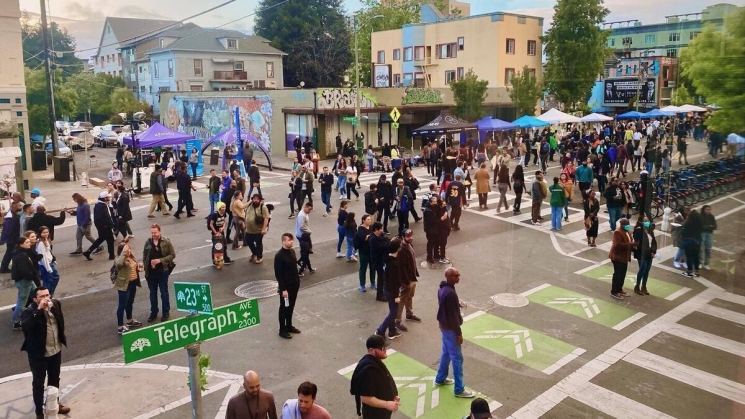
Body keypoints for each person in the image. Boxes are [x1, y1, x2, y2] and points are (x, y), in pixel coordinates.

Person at [20, 286, 72, 418]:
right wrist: (39, 310)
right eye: (41, 297)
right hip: (38, 354)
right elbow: (26, 327)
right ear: (35, 299)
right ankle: (39, 412)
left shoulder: (55, 304)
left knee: (54, 379)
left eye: (47, 295)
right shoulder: (29, 311)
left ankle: (55, 405)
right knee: (38, 382)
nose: (45, 299)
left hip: (55, 349)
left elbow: (61, 321)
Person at [435, 267, 474, 398]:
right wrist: (459, 334)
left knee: (446, 353)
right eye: (455, 276)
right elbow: (452, 316)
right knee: (457, 358)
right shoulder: (450, 293)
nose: (458, 277)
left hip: (443, 326)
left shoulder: (443, 289)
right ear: (449, 277)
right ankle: (459, 389)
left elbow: (446, 306)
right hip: (450, 329)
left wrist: (457, 303)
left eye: (458, 275)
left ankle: (440, 378)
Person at [350, 334, 399, 419]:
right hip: (375, 414)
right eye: (382, 348)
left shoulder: (375, 361)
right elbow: (365, 398)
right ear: (371, 350)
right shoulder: (369, 371)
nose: (385, 350)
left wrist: (393, 395)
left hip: (381, 411)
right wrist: (387, 404)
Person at [143, 224, 176, 322]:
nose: (153, 234)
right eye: (152, 233)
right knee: (152, 294)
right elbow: (145, 256)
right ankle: (154, 312)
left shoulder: (166, 241)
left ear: (160, 231)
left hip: (162, 272)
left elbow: (172, 255)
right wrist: (148, 266)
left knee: (164, 293)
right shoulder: (148, 242)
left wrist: (160, 260)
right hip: (151, 274)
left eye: (155, 232)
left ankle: (166, 312)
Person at [375, 238, 403, 340]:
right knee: (393, 313)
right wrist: (396, 296)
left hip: (386, 288)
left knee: (392, 310)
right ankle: (381, 330)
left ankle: (392, 331)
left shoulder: (387, 257)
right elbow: (394, 282)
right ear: (398, 249)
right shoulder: (394, 264)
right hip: (392, 291)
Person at [275, 233, 302, 339]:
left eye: (292, 240)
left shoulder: (292, 251)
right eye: (289, 240)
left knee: (291, 306)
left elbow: (294, 268)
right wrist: (283, 289)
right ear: (283, 241)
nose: (291, 242)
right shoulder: (279, 256)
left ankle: (289, 325)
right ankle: (282, 330)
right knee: (284, 308)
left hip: (294, 284)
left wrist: (297, 281)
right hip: (286, 287)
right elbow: (278, 274)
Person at [113, 242, 143, 334]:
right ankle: (120, 326)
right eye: (126, 250)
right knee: (122, 305)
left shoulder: (131, 257)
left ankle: (130, 321)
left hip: (133, 283)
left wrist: (139, 268)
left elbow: (132, 268)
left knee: (130, 303)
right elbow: (118, 264)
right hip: (124, 285)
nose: (128, 251)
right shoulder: (118, 259)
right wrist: (123, 253)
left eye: (129, 249)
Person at [11, 237, 40, 330]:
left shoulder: (21, 253)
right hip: (25, 281)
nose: (29, 243)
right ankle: (16, 322)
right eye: (26, 242)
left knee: (37, 294)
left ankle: (39, 312)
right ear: (21, 244)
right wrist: (32, 276)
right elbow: (24, 270)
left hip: (27, 280)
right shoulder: (21, 255)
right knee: (21, 302)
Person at [396, 229, 421, 330]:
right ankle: (397, 321)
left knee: (410, 296)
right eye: (408, 236)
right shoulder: (402, 249)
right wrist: (406, 281)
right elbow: (401, 268)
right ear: (403, 237)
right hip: (407, 279)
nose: (410, 238)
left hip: (412, 277)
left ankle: (409, 314)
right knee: (402, 300)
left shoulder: (410, 245)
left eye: (411, 236)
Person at [609, 218, 637, 300]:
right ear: (621, 225)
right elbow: (617, 244)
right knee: (618, 274)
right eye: (626, 224)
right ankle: (614, 291)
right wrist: (631, 244)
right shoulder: (618, 232)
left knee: (623, 274)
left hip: (624, 257)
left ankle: (619, 289)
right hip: (617, 257)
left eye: (628, 224)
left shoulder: (628, 231)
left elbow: (629, 241)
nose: (628, 226)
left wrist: (633, 246)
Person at [83, 192, 116, 261]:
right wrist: (111, 225)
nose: (109, 198)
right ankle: (112, 255)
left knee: (100, 239)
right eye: (108, 197)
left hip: (100, 226)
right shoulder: (102, 206)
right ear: (104, 198)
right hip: (105, 226)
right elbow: (107, 217)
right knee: (110, 240)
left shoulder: (98, 204)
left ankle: (88, 252)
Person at [632, 217, 657, 296]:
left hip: (649, 254)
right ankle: (637, 286)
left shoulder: (649, 230)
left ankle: (644, 286)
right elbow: (638, 243)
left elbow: (653, 242)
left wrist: (653, 251)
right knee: (642, 269)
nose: (647, 222)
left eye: (648, 221)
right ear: (641, 222)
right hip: (642, 254)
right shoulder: (639, 231)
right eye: (645, 221)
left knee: (647, 270)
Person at [245, 194, 270, 263]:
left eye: (257, 199)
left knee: (258, 243)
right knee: (249, 242)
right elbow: (246, 215)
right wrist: (245, 225)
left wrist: (264, 229)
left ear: (260, 200)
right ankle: (254, 252)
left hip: (258, 230)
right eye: (254, 199)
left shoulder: (263, 207)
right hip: (249, 230)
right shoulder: (249, 206)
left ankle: (259, 257)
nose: (255, 200)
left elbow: (266, 218)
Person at [35, 227, 60, 296]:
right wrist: (48, 268)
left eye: (47, 232)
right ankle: (47, 296)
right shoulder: (40, 243)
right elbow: (43, 257)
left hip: (50, 263)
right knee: (48, 282)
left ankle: (50, 295)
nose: (46, 234)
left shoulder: (46, 240)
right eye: (44, 232)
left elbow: (48, 252)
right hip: (45, 265)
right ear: (40, 233)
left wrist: (53, 259)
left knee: (55, 278)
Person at [369, 222, 390, 302]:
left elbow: (387, 242)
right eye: (380, 229)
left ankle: (383, 293)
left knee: (384, 278)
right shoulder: (373, 239)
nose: (382, 230)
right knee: (380, 278)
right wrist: (387, 243)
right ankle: (379, 295)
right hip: (378, 261)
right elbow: (383, 247)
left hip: (383, 260)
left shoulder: (381, 236)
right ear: (376, 230)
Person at [209, 201, 234, 265]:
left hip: (221, 233)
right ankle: (215, 261)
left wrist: (223, 228)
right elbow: (211, 224)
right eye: (223, 207)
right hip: (215, 234)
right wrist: (216, 233)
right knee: (216, 247)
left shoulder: (224, 213)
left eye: (225, 207)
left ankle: (226, 259)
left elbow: (225, 221)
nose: (224, 208)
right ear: (219, 208)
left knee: (224, 246)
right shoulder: (215, 215)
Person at [681, 209, 703, 278]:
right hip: (697, 241)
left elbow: (683, 231)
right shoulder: (699, 224)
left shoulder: (687, 223)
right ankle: (697, 271)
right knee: (696, 256)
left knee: (689, 257)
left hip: (688, 241)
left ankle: (689, 272)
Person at [700, 205, 717, 270]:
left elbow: (715, 226)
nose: (709, 211)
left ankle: (707, 263)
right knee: (701, 248)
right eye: (707, 209)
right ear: (704, 210)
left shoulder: (712, 217)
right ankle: (700, 262)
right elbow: (701, 226)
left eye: (709, 209)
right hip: (702, 233)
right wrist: (710, 226)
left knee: (708, 248)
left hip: (709, 233)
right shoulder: (700, 216)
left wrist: (707, 226)